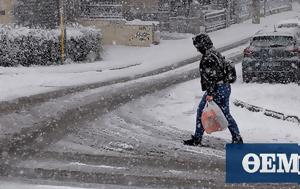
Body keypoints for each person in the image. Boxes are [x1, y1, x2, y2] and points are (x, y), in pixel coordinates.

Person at [183, 33, 243, 146]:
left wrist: (210, 93)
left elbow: (212, 76)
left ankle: (197, 138)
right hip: (224, 87)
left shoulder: (208, 57)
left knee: (202, 111)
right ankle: (237, 137)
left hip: (216, 89)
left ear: (202, 45)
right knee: (225, 114)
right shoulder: (214, 53)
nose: (197, 50)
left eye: (198, 47)